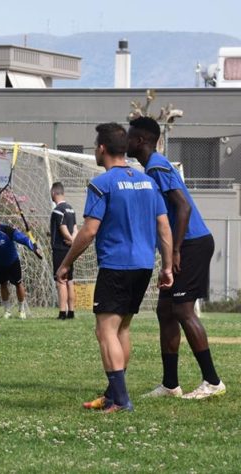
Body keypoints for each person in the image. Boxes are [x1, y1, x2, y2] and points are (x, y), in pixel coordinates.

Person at [57, 122, 173, 413]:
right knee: (122, 328)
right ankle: (112, 394)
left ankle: (121, 400)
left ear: (102, 149)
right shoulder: (148, 181)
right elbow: (164, 227)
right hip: (144, 265)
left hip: (116, 265)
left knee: (105, 330)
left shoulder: (102, 184)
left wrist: (66, 263)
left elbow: (89, 230)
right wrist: (167, 266)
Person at [128, 116, 226, 399]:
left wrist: (177, 250)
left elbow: (183, 208)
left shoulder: (157, 165)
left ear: (141, 141)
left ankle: (212, 381)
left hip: (192, 244)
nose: (126, 142)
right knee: (165, 311)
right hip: (184, 245)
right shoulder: (152, 166)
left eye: (130, 136)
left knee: (183, 310)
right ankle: (170, 384)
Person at [50, 182, 78, 320]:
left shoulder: (58, 210)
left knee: (60, 279)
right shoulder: (71, 209)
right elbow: (75, 228)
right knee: (70, 280)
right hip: (69, 249)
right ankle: (71, 312)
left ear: (54, 193)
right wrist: (74, 241)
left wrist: (70, 239)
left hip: (60, 250)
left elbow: (63, 228)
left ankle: (62, 312)